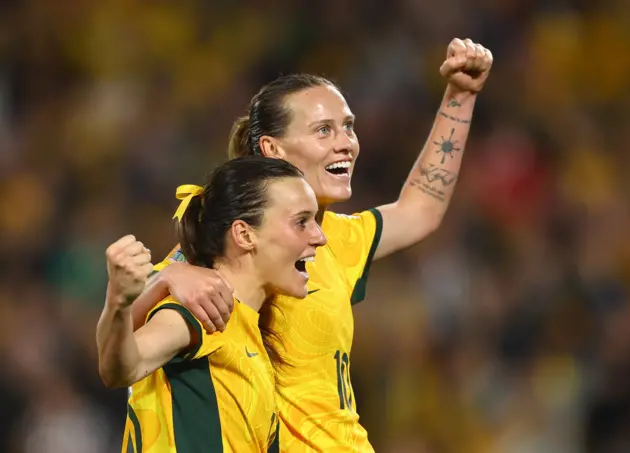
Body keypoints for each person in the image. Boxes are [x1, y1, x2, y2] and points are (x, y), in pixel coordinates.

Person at [130, 38, 493, 451]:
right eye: (324, 130)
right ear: (272, 148)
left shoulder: (335, 237)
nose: (346, 143)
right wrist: (169, 274)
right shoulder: (240, 241)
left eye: (348, 126)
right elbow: (133, 327)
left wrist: (460, 97)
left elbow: (421, 209)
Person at [96, 156, 327, 452]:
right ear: (244, 235)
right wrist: (118, 301)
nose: (319, 237)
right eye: (301, 222)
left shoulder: (246, 328)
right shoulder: (202, 313)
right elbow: (120, 369)